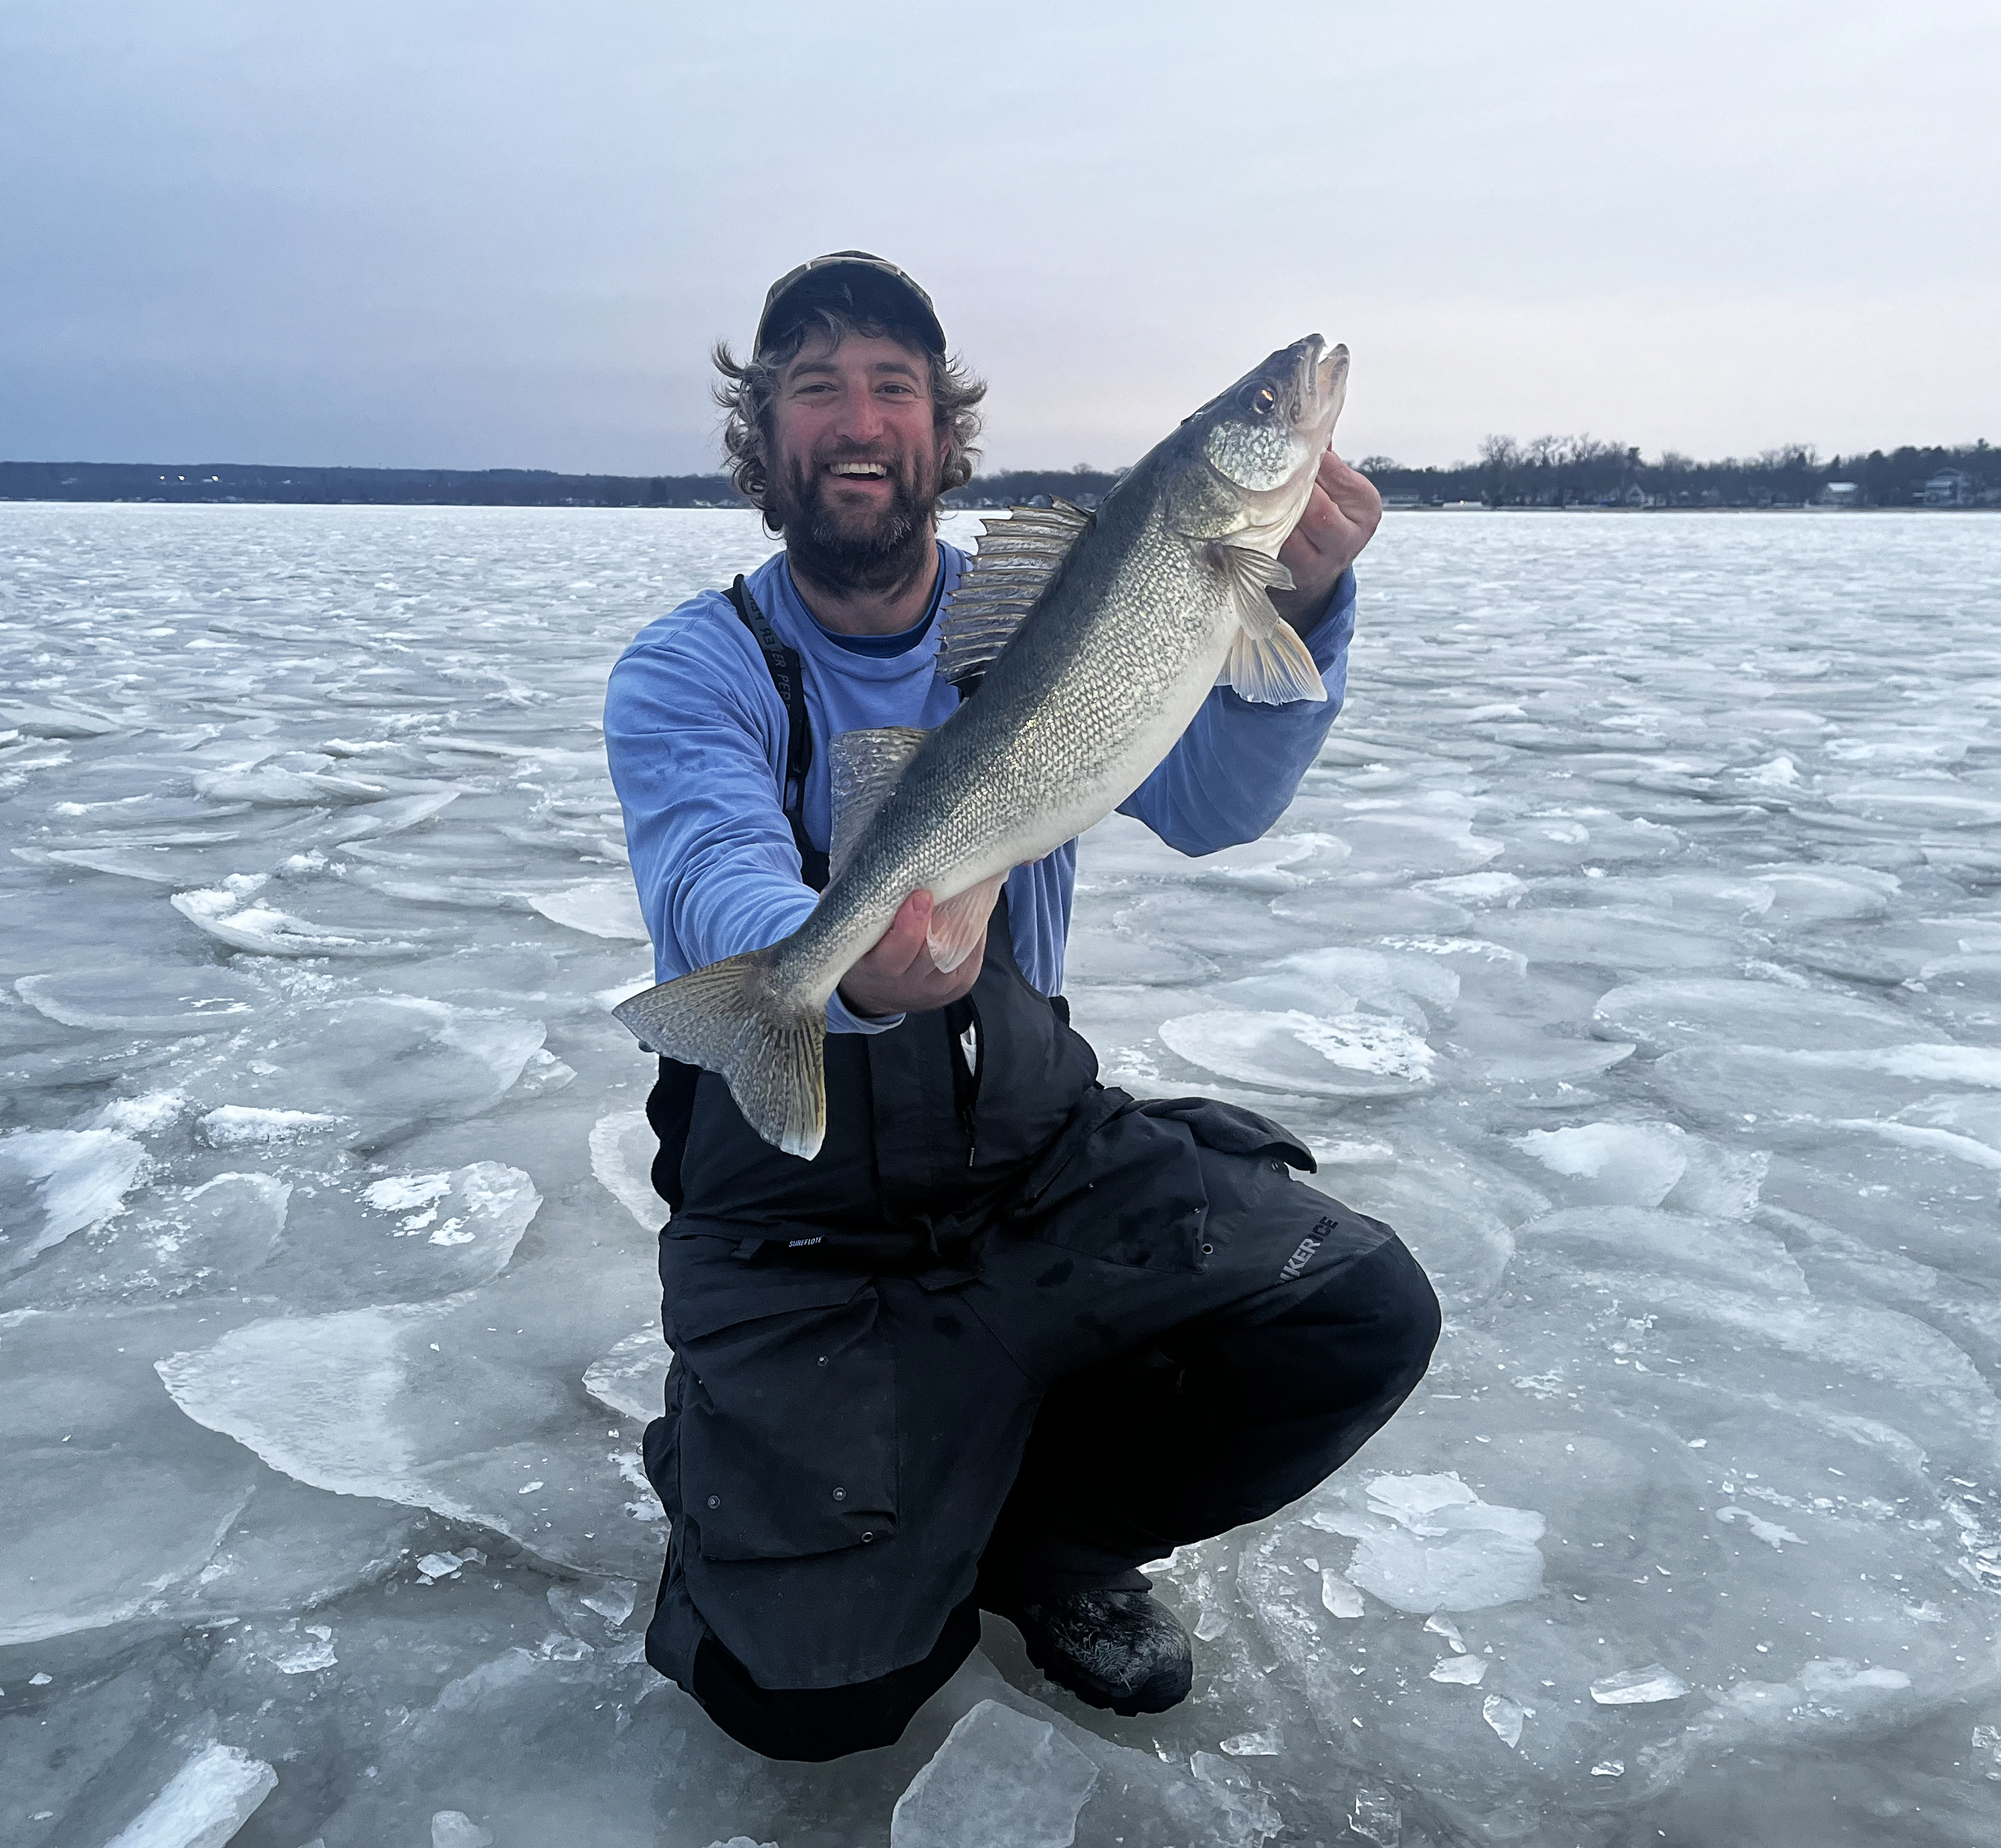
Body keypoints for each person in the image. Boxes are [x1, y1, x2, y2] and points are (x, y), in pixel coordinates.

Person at [603, 252, 1439, 1762]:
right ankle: (742, 1457)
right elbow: (711, 869)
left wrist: (1305, 596)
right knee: (813, 1701)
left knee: (1351, 1311)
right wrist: (838, 965)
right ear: (763, 435)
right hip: (794, 1210)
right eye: (813, 388)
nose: (857, 420)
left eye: (891, 386)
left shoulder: (1054, 589)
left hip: (1029, 1146)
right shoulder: (691, 670)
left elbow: (1216, 803)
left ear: (941, 427)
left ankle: (1046, 1539)